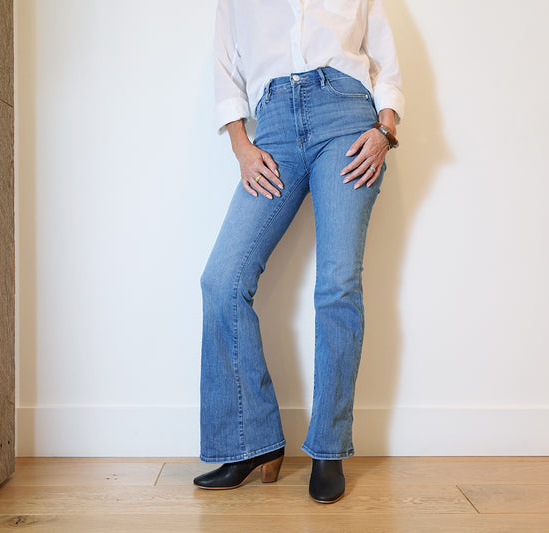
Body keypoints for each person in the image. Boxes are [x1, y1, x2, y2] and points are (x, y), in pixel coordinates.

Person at [194, 0, 405, 504]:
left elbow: (386, 60)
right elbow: (226, 70)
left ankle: (328, 448)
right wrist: (242, 148)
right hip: (272, 126)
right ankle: (251, 443)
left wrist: (385, 130)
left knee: (337, 284)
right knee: (222, 281)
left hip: (347, 118)